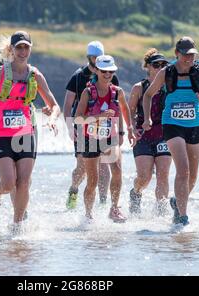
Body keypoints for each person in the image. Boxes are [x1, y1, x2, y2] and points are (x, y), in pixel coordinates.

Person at [0, 31, 60, 228]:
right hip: (2, 133)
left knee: (23, 183)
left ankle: (17, 227)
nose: (22, 51)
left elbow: (54, 105)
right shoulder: (0, 72)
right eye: (18, 47)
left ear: (30, 49)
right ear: (11, 50)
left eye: (26, 47)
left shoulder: (34, 75)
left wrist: (53, 118)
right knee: (8, 184)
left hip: (26, 133)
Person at [142, 37, 199, 226]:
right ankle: (183, 217)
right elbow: (147, 95)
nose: (188, 58)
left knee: (193, 176)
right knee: (183, 170)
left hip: (195, 124)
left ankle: (177, 203)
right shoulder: (166, 72)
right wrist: (147, 118)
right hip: (172, 124)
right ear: (177, 54)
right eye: (185, 54)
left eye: (192, 55)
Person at [74, 55, 136, 223]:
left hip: (110, 137)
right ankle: (88, 215)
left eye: (111, 71)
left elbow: (124, 110)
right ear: (97, 71)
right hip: (90, 138)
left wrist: (126, 131)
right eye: (104, 71)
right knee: (93, 181)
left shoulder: (118, 92)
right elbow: (78, 118)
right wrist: (99, 116)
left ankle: (114, 209)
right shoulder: (88, 92)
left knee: (117, 169)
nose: (107, 74)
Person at [63, 41, 120, 210]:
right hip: (83, 127)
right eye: (94, 57)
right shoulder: (78, 76)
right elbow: (67, 104)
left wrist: (119, 129)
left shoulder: (110, 74)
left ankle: (102, 203)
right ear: (89, 58)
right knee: (82, 168)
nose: (97, 60)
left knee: (104, 165)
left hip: (105, 127)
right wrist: (69, 126)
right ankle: (74, 189)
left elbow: (116, 103)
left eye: (99, 57)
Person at [128, 49, 171, 216]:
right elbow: (130, 111)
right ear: (148, 67)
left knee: (163, 174)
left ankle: (161, 211)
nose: (160, 68)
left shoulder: (169, 87)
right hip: (143, 136)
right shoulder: (139, 87)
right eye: (156, 65)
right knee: (144, 177)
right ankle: (136, 192)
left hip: (164, 136)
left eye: (163, 65)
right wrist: (132, 128)